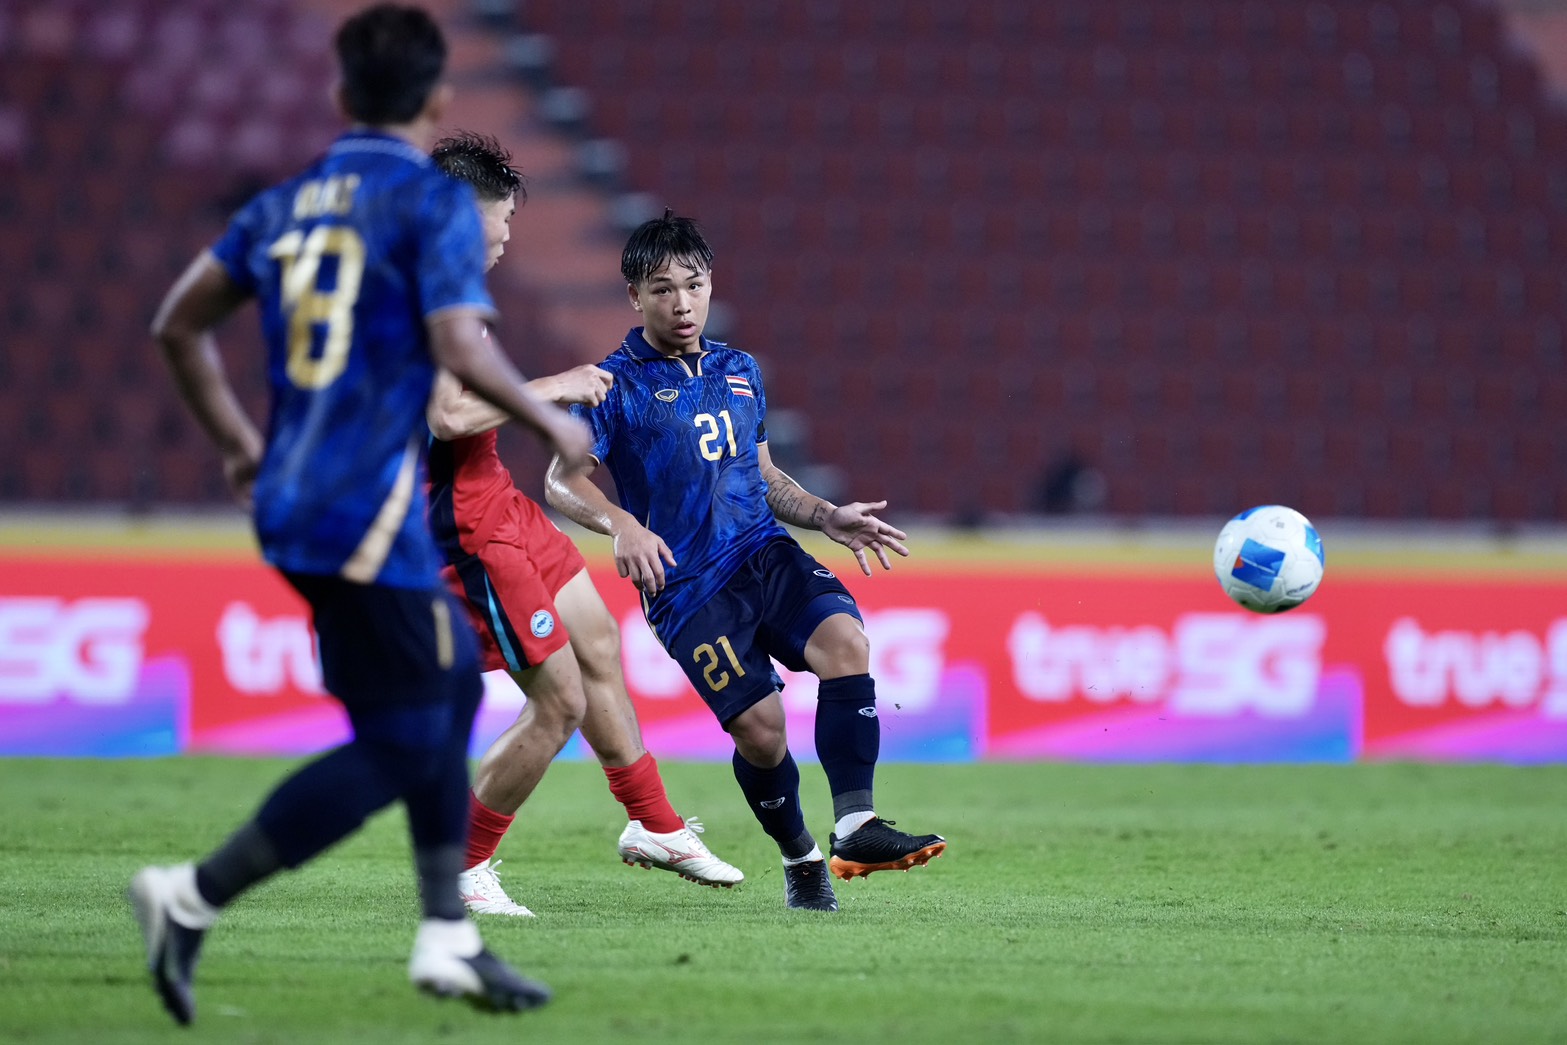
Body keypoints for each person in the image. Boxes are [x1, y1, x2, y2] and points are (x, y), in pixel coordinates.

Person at [131, 3, 590, 1023]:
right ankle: (190, 896)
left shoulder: (285, 203)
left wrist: (237, 444)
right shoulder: (429, 205)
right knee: (401, 738)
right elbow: (459, 355)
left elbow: (176, 326)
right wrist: (548, 414)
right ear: (437, 99)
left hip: (292, 497)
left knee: (449, 691)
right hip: (363, 512)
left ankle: (446, 933)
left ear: (341, 95)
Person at [545, 213, 947, 912]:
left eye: (694, 285)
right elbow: (560, 479)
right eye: (662, 289)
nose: (682, 303)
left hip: (764, 552)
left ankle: (856, 825)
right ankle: (801, 859)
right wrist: (622, 526)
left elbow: (762, 474)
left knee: (847, 644)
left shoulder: (740, 370)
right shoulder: (613, 385)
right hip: (688, 587)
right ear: (634, 296)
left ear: (711, 285)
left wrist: (826, 516)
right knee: (760, 732)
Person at [423, 132, 741, 917]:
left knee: (596, 637)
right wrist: (552, 388)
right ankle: (461, 867)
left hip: (498, 497)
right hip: (465, 522)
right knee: (558, 702)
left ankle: (654, 824)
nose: (506, 233)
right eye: (499, 217)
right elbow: (447, 416)